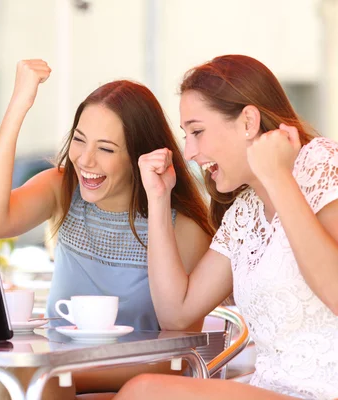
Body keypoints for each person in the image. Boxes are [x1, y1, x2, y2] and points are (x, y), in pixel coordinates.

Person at [0, 60, 213, 399]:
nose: (85, 160)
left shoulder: (183, 227)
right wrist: (18, 106)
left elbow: (179, 346)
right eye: (79, 140)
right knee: (21, 383)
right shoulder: (63, 189)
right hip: (57, 371)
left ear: (138, 156)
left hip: (139, 375)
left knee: (35, 383)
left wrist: (66, 371)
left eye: (105, 149)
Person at [116, 54, 338, 400]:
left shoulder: (322, 164)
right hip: (269, 390)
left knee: (144, 392)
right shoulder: (244, 212)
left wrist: (278, 176)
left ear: (248, 121)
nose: (189, 151)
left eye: (197, 131)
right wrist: (158, 201)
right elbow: (177, 313)